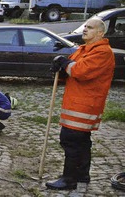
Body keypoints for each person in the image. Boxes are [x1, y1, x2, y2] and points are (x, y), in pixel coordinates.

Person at [45, 18, 115, 190]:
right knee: (82, 141)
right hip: (77, 103)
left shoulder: (102, 52)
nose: (85, 30)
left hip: (85, 105)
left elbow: (80, 71)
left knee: (71, 140)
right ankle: (82, 174)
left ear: (100, 33)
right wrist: (59, 69)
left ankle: (69, 179)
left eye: (90, 28)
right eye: (85, 26)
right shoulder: (83, 50)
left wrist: (65, 63)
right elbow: (70, 71)